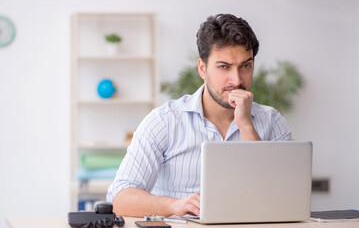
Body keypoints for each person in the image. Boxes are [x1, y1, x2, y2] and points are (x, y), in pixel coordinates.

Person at [106, 14, 292, 217]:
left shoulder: (273, 123)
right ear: (202, 69)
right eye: (224, 67)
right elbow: (119, 199)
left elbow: (282, 197)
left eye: (245, 66)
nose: (236, 80)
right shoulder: (164, 121)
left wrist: (246, 126)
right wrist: (174, 206)